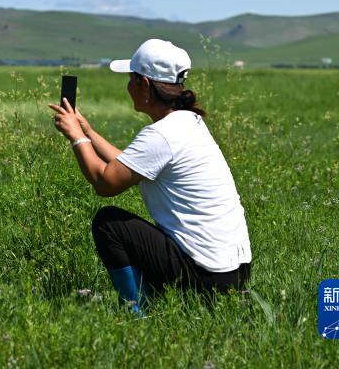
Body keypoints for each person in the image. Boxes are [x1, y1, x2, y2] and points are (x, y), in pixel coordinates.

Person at [49, 39, 251, 314]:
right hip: (235, 274)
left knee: (108, 223)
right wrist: (87, 132)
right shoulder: (189, 123)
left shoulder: (161, 136)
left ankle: (137, 312)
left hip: (207, 274)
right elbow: (130, 165)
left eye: (131, 79)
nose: (127, 87)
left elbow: (105, 183)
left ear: (144, 85)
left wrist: (75, 137)